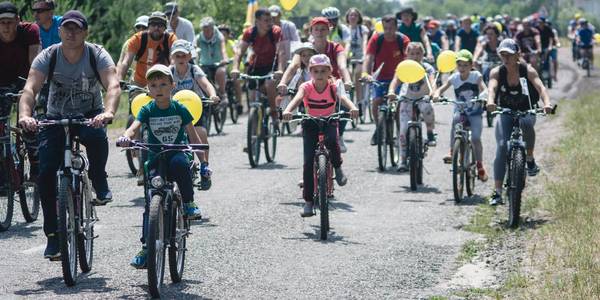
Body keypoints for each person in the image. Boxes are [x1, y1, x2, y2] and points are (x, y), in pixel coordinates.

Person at [18, 10, 121, 259]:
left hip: (89, 114)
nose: (71, 32)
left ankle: (99, 179)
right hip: (56, 117)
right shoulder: (49, 55)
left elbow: (113, 85)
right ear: (60, 31)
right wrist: (24, 115)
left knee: (97, 138)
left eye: (77, 28)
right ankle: (53, 236)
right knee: (45, 173)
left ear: (85, 32)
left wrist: (108, 112)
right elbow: (30, 88)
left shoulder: (96, 53)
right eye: (66, 28)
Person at [117, 64, 203, 268]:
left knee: (181, 165)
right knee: (150, 203)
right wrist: (126, 136)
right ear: (148, 89)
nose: (159, 88)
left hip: (176, 153)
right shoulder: (148, 109)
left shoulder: (179, 108)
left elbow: (193, 135)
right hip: (155, 157)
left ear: (172, 86)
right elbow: (134, 127)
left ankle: (189, 203)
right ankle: (147, 248)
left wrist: (204, 162)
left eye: (163, 84)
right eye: (153, 85)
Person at [281, 54, 358, 217]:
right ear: (310, 72)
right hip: (310, 123)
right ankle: (308, 202)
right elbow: (297, 98)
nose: (320, 74)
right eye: (316, 71)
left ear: (329, 71)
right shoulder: (306, 87)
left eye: (323, 71)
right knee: (308, 161)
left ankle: (337, 167)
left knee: (332, 141)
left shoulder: (334, 86)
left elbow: (343, 98)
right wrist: (288, 110)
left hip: (329, 120)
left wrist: (352, 108)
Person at [485, 39, 553, 205]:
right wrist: (490, 101)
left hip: (526, 110)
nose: (505, 58)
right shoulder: (497, 72)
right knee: (501, 147)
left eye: (509, 54)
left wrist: (547, 103)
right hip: (506, 112)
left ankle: (529, 159)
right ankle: (498, 192)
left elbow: (541, 88)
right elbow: (492, 88)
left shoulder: (527, 70)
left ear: (518, 54)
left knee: (526, 124)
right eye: (503, 54)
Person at [278, 17, 353, 152]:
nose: (320, 32)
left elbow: (342, 65)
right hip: (311, 86)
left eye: (323, 29)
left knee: (346, 105)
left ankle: (339, 135)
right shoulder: (304, 48)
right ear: (311, 31)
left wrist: (347, 81)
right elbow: (294, 66)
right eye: (316, 29)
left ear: (329, 30)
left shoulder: (336, 47)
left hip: (332, 85)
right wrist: (283, 82)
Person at [0, 1, 41, 192]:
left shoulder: (30, 31)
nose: (6, 26)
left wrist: (31, 87)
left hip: (25, 81)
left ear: (18, 20)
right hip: (1, 84)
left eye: (9, 21)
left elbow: (35, 62)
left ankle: (34, 161)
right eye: (2, 22)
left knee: (27, 123)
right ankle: (4, 169)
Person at [169, 40, 219, 190]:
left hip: (195, 110)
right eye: (177, 55)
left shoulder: (194, 70)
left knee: (201, 133)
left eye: (183, 55)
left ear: (189, 56)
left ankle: (204, 167)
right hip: (175, 111)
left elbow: (205, 84)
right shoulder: (169, 72)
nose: (180, 58)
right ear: (173, 57)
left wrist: (213, 95)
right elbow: (158, 84)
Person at [433, 49, 489, 181]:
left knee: (475, 138)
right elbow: (442, 88)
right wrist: (436, 94)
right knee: (455, 120)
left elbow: (484, 88)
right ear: (456, 66)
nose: (462, 68)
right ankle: (452, 151)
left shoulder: (476, 76)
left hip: (475, 112)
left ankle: (480, 165)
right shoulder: (454, 78)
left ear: (471, 65)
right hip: (461, 110)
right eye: (459, 65)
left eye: (465, 65)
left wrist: (483, 96)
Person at [386, 42, 437, 171]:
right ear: (407, 54)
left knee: (428, 109)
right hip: (406, 98)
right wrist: (391, 92)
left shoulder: (427, 68)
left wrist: (433, 93)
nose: (415, 56)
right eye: (412, 53)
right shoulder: (403, 67)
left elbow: (432, 81)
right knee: (403, 130)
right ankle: (402, 161)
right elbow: (395, 80)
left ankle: (430, 133)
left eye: (418, 53)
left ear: (423, 54)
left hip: (423, 97)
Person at [361, 15, 411, 146]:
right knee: (376, 101)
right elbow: (368, 58)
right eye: (385, 28)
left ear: (396, 27)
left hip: (399, 78)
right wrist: (366, 73)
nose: (388, 31)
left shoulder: (403, 40)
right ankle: (379, 128)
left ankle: (401, 134)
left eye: (391, 28)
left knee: (399, 106)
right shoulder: (377, 38)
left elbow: (408, 60)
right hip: (380, 78)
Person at [231, 8, 285, 125]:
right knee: (253, 96)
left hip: (272, 66)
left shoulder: (276, 31)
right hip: (256, 66)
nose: (270, 23)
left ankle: (274, 113)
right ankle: (255, 127)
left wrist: (280, 70)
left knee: (270, 84)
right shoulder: (250, 33)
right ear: (257, 21)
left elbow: (281, 52)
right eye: (266, 20)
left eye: (271, 20)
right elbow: (239, 52)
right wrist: (235, 68)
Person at [117, 11, 177, 88]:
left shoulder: (171, 39)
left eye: (160, 25)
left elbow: (173, 62)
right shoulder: (137, 39)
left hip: (162, 84)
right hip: (139, 84)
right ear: (148, 26)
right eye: (153, 24)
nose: (156, 28)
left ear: (165, 27)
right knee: (136, 99)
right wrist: (120, 80)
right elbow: (126, 61)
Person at [197, 17, 228, 102]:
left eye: (207, 30)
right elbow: (195, 48)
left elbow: (223, 49)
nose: (205, 32)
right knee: (199, 76)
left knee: (221, 72)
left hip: (218, 63)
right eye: (204, 30)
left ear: (212, 28)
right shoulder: (199, 37)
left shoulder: (219, 36)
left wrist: (225, 59)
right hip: (205, 63)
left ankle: (222, 93)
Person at [345, 8, 369, 107]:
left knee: (358, 73)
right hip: (348, 57)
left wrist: (364, 53)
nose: (353, 17)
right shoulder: (345, 29)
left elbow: (365, 41)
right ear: (347, 17)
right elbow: (346, 43)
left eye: (355, 15)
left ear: (359, 17)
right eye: (351, 15)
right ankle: (349, 99)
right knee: (349, 74)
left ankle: (359, 100)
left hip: (360, 56)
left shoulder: (362, 29)